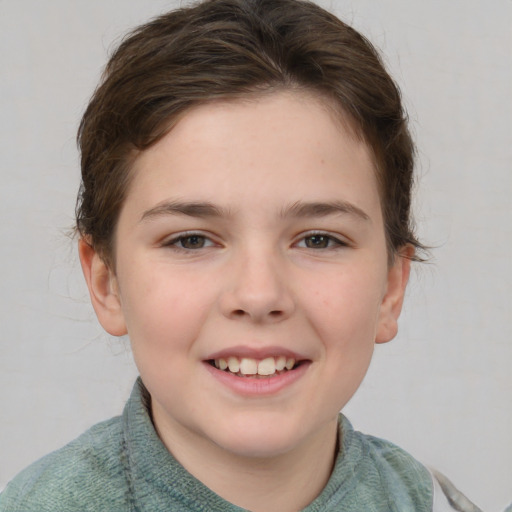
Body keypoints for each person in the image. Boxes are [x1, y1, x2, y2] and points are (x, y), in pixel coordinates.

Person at [0, 0, 486, 510]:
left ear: (391, 287)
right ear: (107, 283)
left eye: (318, 239)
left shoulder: (432, 501)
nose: (258, 295)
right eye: (191, 239)